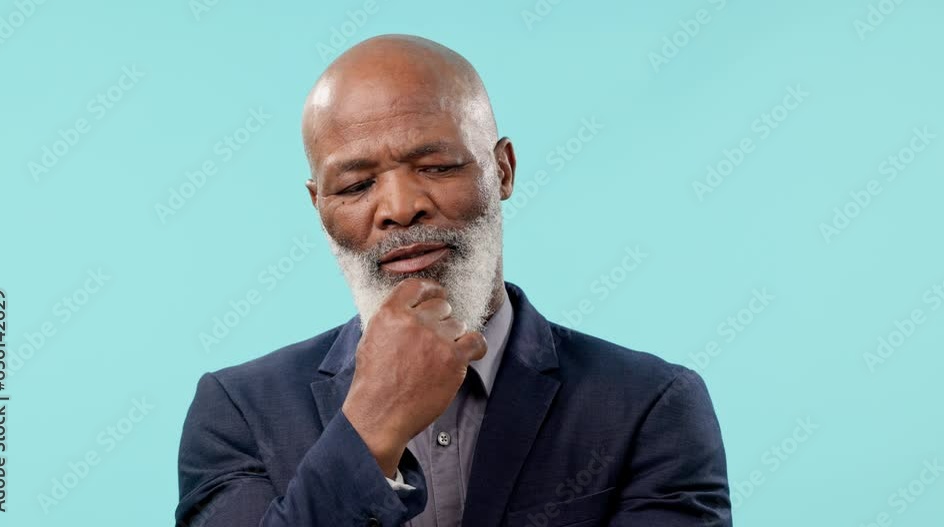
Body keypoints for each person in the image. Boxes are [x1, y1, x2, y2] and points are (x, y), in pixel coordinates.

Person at [176, 34, 732, 527]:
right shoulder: (238, 413)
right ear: (318, 207)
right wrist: (370, 429)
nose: (400, 208)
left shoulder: (650, 406)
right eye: (356, 186)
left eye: (437, 167)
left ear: (503, 170)